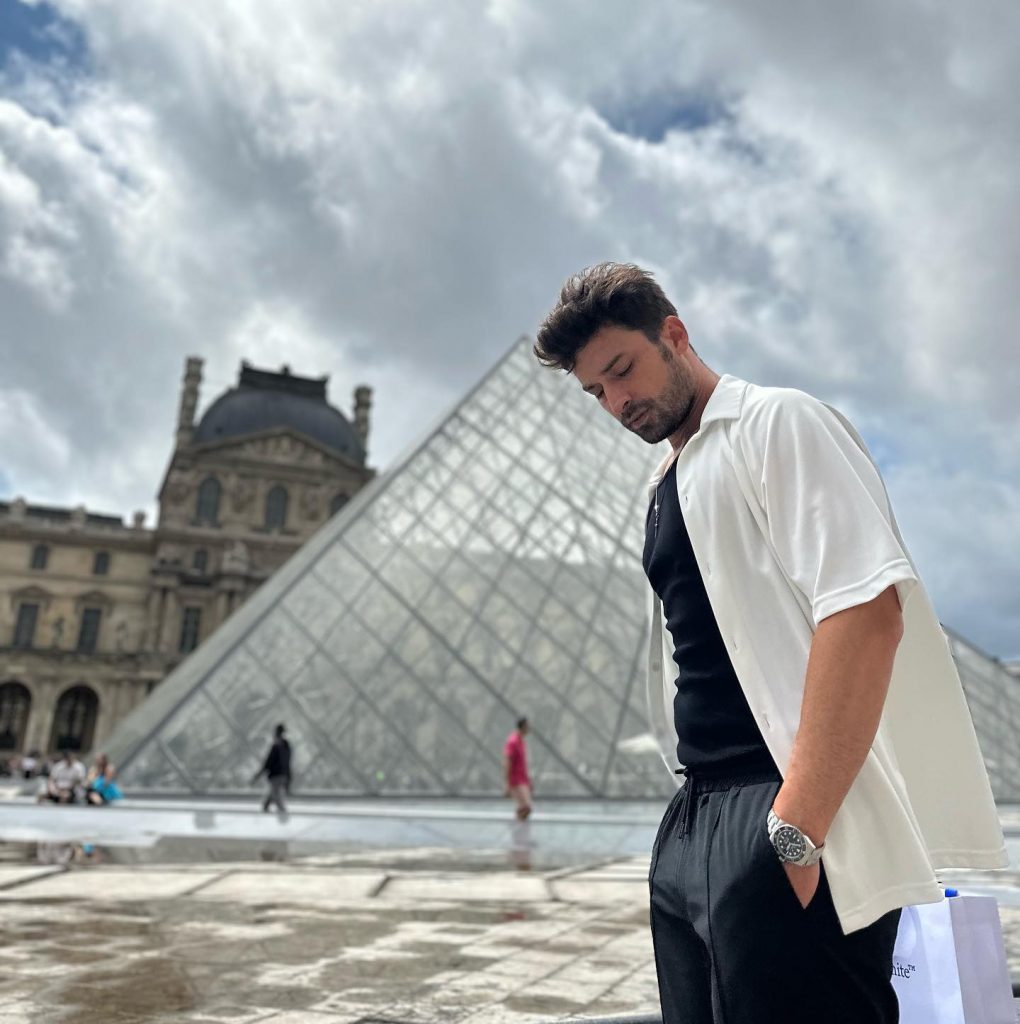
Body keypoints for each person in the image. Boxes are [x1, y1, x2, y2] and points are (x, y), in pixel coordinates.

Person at [534, 263, 1005, 1024]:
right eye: (596, 392)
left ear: (675, 335)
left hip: (776, 810)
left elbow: (866, 612)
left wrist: (796, 828)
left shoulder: (778, 424)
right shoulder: (664, 483)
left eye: (621, 370)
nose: (616, 402)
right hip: (696, 816)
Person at [253, 723, 291, 813]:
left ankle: (281, 812)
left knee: (275, 794)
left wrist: (259, 774)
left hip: (276, 775)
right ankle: (266, 807)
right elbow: (287, 762)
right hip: (283, 774)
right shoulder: (287, 746)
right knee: (273, 792)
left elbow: (268, 762)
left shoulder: (276, 746)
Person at [503, 717, 532, 820]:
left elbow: (523, 764)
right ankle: (517, 824)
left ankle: (518, 824)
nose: (529, 728)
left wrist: (528, 781)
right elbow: (507, 761)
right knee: (525, 807)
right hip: (515, 780)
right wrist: (507, 782)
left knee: (524, 808)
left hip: (522, 779)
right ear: (523, 727)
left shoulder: (522, 742)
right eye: (527, 726)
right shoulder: (512, 741)